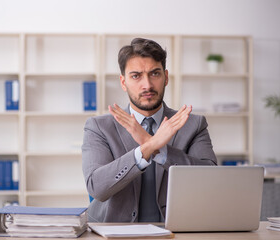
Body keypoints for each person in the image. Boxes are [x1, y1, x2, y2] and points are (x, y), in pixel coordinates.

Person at [82, 38, 217, 223]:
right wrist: (149, 146)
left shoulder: (193, 124)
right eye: (136, 76)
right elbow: (97, 187)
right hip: (114, 232)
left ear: (166, 77)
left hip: (176, 231)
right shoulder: (99, 127)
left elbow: (211, 182)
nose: (147, 85)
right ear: (123, 82)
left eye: (155, 73)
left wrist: (162, 151)